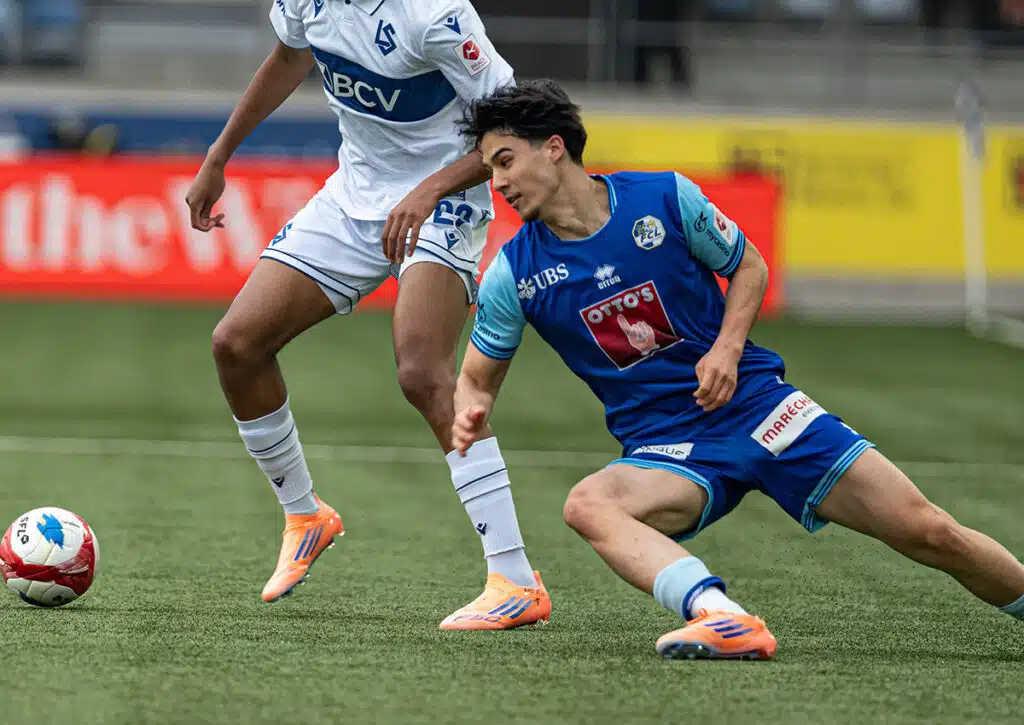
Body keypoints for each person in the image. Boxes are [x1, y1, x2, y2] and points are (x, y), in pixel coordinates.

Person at [450, 79, 1024, 659]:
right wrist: (473, 409)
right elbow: (475, 378)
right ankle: (722, 617)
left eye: (505, 161)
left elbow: (748, 266)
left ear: (553, 147)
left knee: (929, 531)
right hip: (667, 447)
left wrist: (726, 349)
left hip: (759, 408)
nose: (497, 183)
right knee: (589, 504)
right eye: (491, 168)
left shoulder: (664, 198)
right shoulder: (513, 273)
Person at [184, 0, 550, 630]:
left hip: (444, 202)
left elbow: (514, 128)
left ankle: (515, 579)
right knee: (236, 344)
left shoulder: (434, 15)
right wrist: (219, 157)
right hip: (353, 197)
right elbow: (289, 57)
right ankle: (304, 515)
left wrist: (429, 189)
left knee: (422, 372)